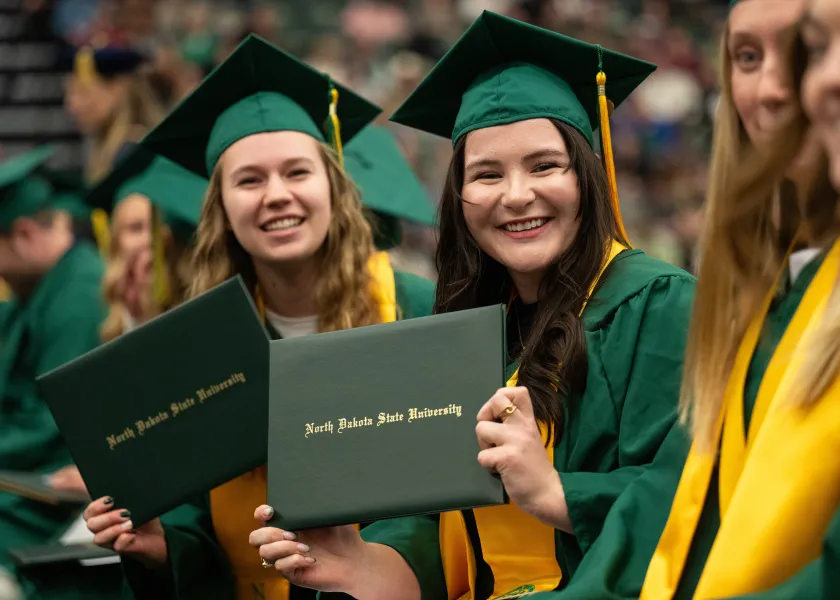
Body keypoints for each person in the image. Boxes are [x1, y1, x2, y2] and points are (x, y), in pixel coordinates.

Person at [249, 12, 696, 599]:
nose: (516, 195)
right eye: (486, 174)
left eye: (544, 165)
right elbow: (433, 533)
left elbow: (700, 496)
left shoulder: (657, 305)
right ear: (459, 198)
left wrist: (558, 495)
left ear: (588, 174)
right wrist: (357, 563)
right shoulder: (465, 339)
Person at [82, 34, 436, 600]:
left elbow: (451, 505)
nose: (276, 195)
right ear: (220, 206)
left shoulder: (417, 310)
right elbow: (194, 524)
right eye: (249, 180)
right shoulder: (196, 345)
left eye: (297, 172)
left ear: (334, 187)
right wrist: (161, 546)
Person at [553, 0, 840, 597]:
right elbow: (678, 498)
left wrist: (563, 496)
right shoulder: (759, 296)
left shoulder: (655, 299)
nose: (775, 89)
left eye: (804, 50)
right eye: (747, 57)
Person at [0, 147, 120, 598]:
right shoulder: (39, 288)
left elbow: (52, 427)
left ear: (25, 234)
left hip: (62, 490)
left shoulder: (79, 298)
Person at [86, 144, 209, 340]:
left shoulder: (203, 303)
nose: (149, 239)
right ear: (117, 241)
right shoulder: (98, 311)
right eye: (135, 228)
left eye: (159, 228)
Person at [63, 43, 165, 183]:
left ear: (118, 88)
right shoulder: (109, 148)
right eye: (69, 95)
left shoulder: (134, 152)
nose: (72, 105)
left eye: (83, 92)